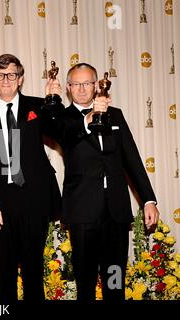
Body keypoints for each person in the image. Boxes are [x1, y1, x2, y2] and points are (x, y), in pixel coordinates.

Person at [53, 62, 159, 300]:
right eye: (76, 84)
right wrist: (89, 119)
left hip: (116, 213)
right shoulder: (62, 119)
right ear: (68, 88)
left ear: (97, 85)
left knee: (114, 279)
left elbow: (131, 159)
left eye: (87, 83)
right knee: (86, 282)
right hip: (82, 213)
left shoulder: (116, 115)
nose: (82, 89)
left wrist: (148, 200)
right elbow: (67, 138)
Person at [0, 54, 62, 301]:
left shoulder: (39, 106)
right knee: (3, 273)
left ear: (20, 79)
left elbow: (61, 131)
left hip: (34, 199)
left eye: (11, 74)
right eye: (0, 75)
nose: (6, 80)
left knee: (33, 270)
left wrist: (53, 102)